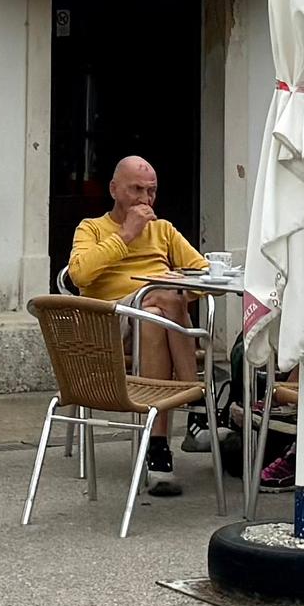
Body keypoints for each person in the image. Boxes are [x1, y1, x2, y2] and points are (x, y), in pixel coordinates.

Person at [65, 154, 210, 497]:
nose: (145, 199)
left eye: (152, 191)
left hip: (152, 323)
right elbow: (79, 275)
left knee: (157, 313)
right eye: (136, 190)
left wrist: (180, 285)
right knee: (163, 296)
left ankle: (157, 452)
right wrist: (126, 235)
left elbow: (203, 275)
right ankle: (197, 404)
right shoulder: (92, 228)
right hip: (109, 323)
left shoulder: (163, 230)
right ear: (114, 190)